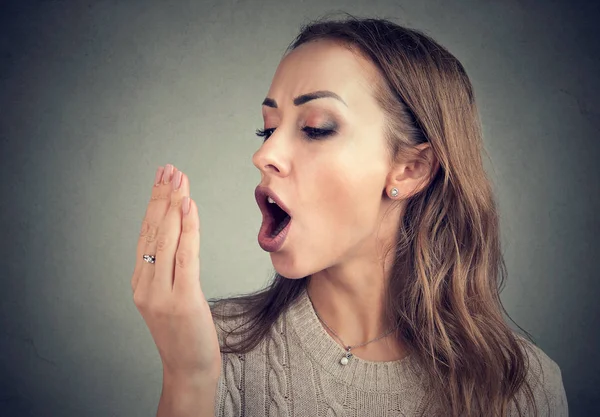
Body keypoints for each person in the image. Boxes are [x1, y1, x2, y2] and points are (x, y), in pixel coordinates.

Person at [131, 15, 569, 417]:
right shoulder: (213, 348)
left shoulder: (524, 387)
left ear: (410, 170)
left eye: (316, 128)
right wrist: (188, 379)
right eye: (268, 127)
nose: (263, 154)